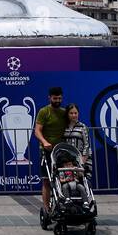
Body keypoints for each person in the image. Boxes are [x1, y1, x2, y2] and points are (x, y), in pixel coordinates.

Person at [33, 86, 69, 224]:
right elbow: (37, 131)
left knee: (66, 178)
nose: (57, 101)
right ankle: (47, 208)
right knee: (47, 181)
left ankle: (65, 204)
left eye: (60, 98)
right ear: (49, 98)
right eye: (55, 98)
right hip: (47, 151)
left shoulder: (64, 112)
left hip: (61, 151)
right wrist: (44, 142)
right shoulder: (44, 111)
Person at [64, 105, 91, 170]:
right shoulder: (64, 127)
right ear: (67, 114)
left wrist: (82, 162)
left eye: (75, 113)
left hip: (81, 159)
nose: (74, 115)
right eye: (71, 113)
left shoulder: (82, 127)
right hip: (67, 161)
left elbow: (87, 145)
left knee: (81, 179)